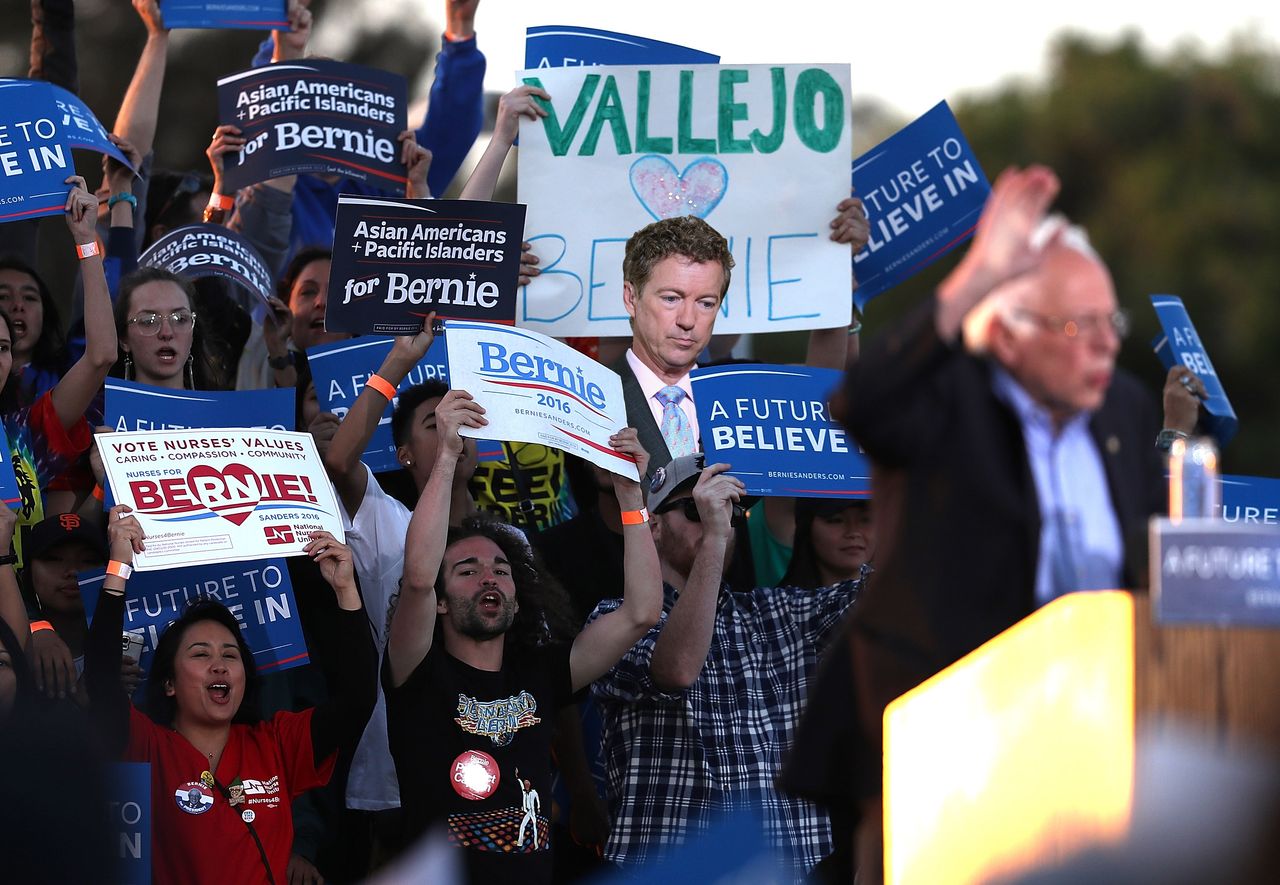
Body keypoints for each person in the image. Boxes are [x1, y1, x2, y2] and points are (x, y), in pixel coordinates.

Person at [830, 165, 1166, 878]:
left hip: (1099, 729)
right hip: (955, 735)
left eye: (1112, 322)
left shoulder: (1126, 411)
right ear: (1009, 338)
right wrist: (978, 274)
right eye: (1078, 325)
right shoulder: (953, 405)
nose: (1106, 344)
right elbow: (864, 400)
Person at [382, 388, 662, 884]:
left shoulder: (541, 670)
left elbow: (640, 613)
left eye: (501, 569)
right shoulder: (418, 670)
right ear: (440, 602)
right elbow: (420, 576)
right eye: (467, 570)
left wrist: (631, 499)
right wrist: (446, 455)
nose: (489, 577)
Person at [590, 455, 867, 881]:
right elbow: (677, 670)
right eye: (695, 509)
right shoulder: (613, 619)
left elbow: (889, 588)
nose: (720, 516)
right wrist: (715, 538)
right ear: (654, 527)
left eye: (731, 510)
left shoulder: (778, 610)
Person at [84, 506, 377, 885]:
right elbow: (102, 683)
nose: (219, 665)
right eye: (200, 654)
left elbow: (357, 700)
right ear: (169, 683)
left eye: (230, 655)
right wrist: (119, 567)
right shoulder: (147, 747)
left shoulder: (276, 744)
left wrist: (345, 589)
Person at [1, 177, 117, 566]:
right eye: (4, 298)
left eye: (3, 349)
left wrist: (86, 239)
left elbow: (100, 355)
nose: (17, 307)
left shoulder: (20, 433)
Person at [111, 266, 219, 390]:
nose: (167, 333)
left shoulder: (220, 407)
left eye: (180, 319)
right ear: (124, 339)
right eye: (149, 321)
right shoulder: (102, 408)